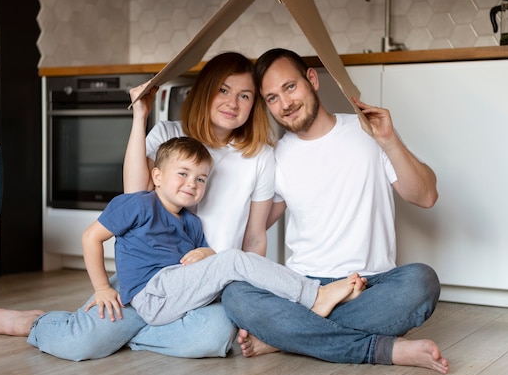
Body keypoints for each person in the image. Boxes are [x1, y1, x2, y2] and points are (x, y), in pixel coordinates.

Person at [0, 52, 277, 361]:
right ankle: (38, 322)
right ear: (205, 90)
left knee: (212, 338)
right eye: (223, 90)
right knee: (80, 346)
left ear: (254, 104)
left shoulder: (260, 156)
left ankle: (117, 334)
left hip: (205, 287)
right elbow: (135, 194)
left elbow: (254, 238)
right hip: (146, 278)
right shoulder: (169, 134)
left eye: (245, 95)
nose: (233, 103)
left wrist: (247, 297)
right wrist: (140, 116)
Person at [220, 48, 449, 375]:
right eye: (271, 98)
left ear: (312, 80)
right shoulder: (275, 156)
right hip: (303, 287)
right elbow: (251, 229)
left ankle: (287, 336)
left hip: (369, 286)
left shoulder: (366, 132)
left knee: (422, 282)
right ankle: (378, 348)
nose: (284, 104)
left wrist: (390, 141)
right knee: (235, 295)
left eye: (290, 87)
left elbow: (426, 196)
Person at [85, 136, 365, 326]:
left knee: (239, 282)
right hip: (152, 295)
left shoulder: (192, 223)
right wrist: (101, 288)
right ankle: (316, 296)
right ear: (157, 176)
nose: (191, 183)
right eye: (182, 173)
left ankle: (296, 313)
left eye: (200, 178)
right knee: (232, 260)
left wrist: (207, 253)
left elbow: (204, 260)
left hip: (178, 289)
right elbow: (91, 237)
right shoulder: (137, 204)